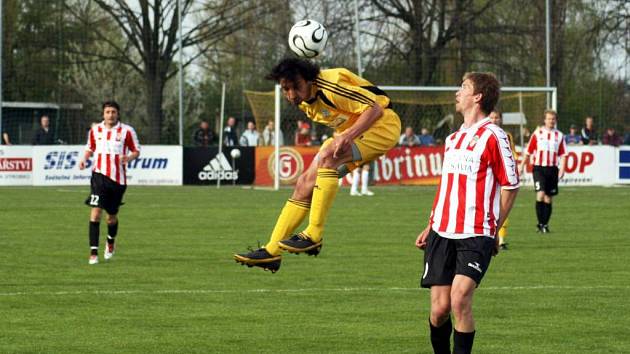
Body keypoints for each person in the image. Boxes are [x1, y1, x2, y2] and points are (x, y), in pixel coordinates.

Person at [234, 58, 401, 273]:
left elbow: (376, 108)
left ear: (309, 80)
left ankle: (314, 233)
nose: (291, 94)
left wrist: (348, 136)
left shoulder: (331, 87)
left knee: (327, 158)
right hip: (355, 132)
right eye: (286, 89)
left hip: (382, 127)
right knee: (303, 184)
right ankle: (272, 252)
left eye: (296, 87)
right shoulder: (304, 101)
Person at [415, 72, 519, 354]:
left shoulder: (495, 136)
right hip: (441, 230)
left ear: (478, 96)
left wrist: (495, 228)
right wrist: (431, 223)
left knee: (460, 300)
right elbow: (447, 186)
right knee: (439, 310)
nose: (456, 93)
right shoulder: (453, 139)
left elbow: (511, 185)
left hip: (475, 233)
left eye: (463, 87)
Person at [78, 101, 140, 265]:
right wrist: (84, 159)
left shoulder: (127, 131)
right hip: (98, 176)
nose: (110, 115)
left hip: (118, 180)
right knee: (96, 212)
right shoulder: (95, 130)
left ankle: (110, 241)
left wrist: (128, 157)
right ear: (103, 114)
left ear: (117, 114)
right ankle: (93, 253)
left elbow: (136, 150)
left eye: (113, 112)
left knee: (111, 217)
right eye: (107, 112)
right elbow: (90, 148)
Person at [519, 110, 566, 234]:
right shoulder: (538, 133)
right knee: (540, 194)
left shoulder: (559, 135)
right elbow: (528, 151)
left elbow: (563, 154)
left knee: (548, 199)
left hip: (552, 169)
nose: (551, 121)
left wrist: (563, 168)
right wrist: (521, 166)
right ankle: (540, 223)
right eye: (549, 119)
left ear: (556, 120)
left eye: (553, 119)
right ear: (544, 120)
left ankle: (545, 225)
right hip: (539, 168)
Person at [488, 109, 516, 250]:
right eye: (491, 117)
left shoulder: (506, 136)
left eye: (496, 117)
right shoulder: (484, 135)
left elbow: (512, 155)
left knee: (501, 207)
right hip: (489, 179)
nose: (494, 120)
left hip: (501, 177)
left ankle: (501, 239)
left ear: (500, 120)